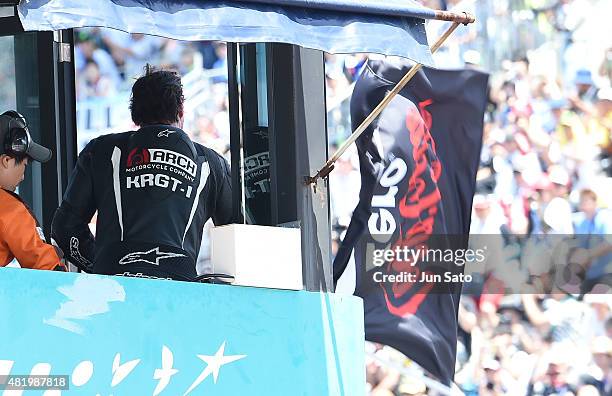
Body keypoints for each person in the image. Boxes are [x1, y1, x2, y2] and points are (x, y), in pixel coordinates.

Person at [52, 67, 234, 280]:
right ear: (181, 111)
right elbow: (238, 236)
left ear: (134, 112)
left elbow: (65, 227)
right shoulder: (212, 163)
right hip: (179, 286)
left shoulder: (100, 149)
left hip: (113, 284)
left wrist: (101, 265)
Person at [0, 111, 65, 271]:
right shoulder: (8, 208)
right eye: (24, 166)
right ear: (6, 161)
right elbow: (45, 267)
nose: (22, 177)